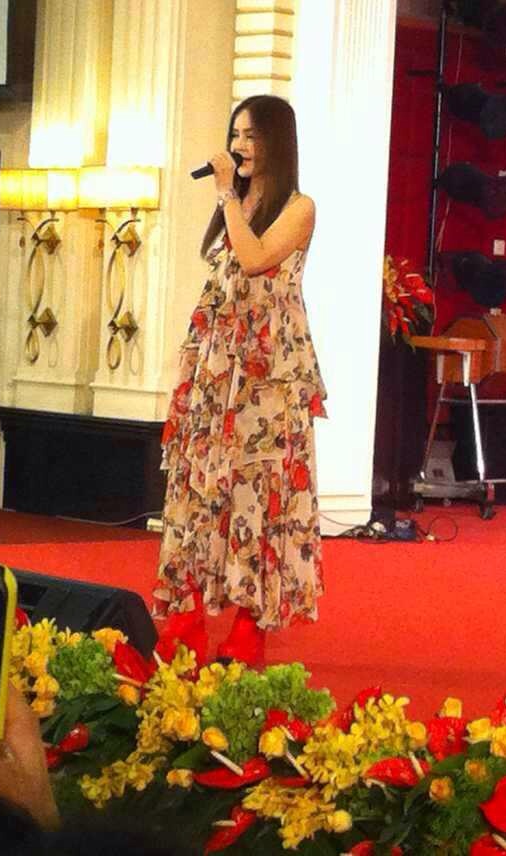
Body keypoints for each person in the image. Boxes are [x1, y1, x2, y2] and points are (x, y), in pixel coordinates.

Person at [152, 94, 327, 668]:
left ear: (277, 141)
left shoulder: (298, 208)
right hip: (217, 370)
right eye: (235, 134)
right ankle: (185, 618)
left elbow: (254, 260)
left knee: (257, 492)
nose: (239, 145)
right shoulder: (237, 203)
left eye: (251, 135)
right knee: (199, 487)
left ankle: (249, 629)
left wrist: (227, 193)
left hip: (266, 376)